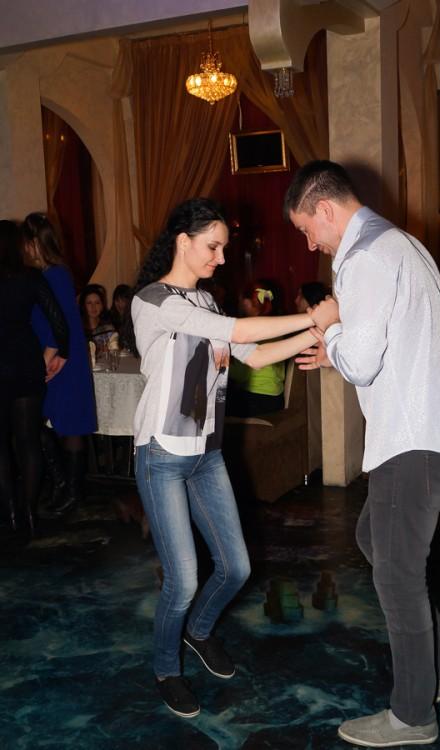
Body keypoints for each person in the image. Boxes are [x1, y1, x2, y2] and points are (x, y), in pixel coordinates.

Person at [285, 161, 440, 748]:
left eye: (306, 230)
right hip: (433, 430)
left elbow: (363, 361)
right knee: (374, 538)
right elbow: (398, 338)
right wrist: (339, 346)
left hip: (414, 437)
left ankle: (413, 716)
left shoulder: (365, 258)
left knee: (397, 573)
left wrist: (330, 327)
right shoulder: (399, 242)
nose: (310, 244)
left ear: (324, 209)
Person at [131, 197, 319, 719]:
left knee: (236, 567)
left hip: (207, 456)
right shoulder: (153, 300)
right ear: (183, 242)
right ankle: (166, 669)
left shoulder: (209, 303)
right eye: (212, 247)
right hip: (163, 454)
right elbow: (240, 332)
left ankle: (199, 631)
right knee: (183, 580)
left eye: (222, 248)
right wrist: (310, 314)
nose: (220, 257)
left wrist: (313, 332)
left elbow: (253, 354)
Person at [22, 213, 97, 515]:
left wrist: (49, 360)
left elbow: (61, 324)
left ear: (34, 243)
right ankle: (62, 485)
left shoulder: (56, 274)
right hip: (54, 355)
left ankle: (72, 493)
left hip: (64, 358)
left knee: (69, 424)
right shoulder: (44, 274)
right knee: (41, 423)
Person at [0, 219, 69, 533]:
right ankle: (29, 511)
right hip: (26, 362)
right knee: (28, 441)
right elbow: (59, 323)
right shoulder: (30, 277)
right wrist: (61, 354)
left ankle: (11, 513)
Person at [226, 280, 287, 417]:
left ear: (247, 302)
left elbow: (242, 375)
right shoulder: (277, 325)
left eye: (241, 300)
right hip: (276, 396)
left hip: (256, 398)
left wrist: (221, 364)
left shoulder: (249, 329)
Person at [79, 284, 118, 354]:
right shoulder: (77, 329)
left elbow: (115, 350)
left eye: (97, 303)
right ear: (83, 306)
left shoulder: (108, 328)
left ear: (102, 306)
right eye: (89, 303)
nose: (93, 307)